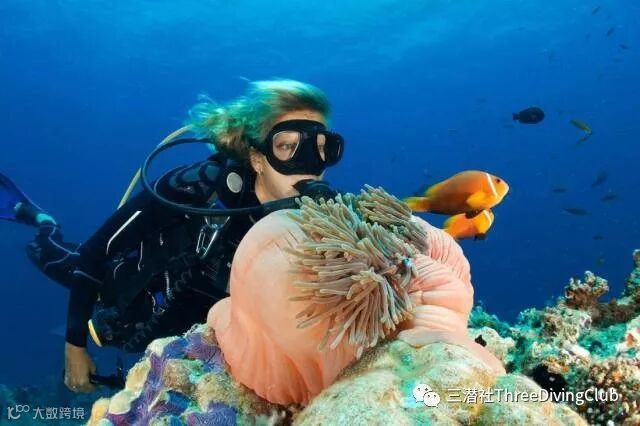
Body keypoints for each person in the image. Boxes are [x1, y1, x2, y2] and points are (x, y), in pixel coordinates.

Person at [0, 79, 345, 393]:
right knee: (57, 260)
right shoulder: (195, 190)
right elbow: (95, 253)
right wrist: (74, 347)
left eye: (322, 149)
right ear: (257, 158)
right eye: (287, 147)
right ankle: (40, 220)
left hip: (193, 336)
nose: (309, 165)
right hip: (119, 290)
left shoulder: (320, 223)